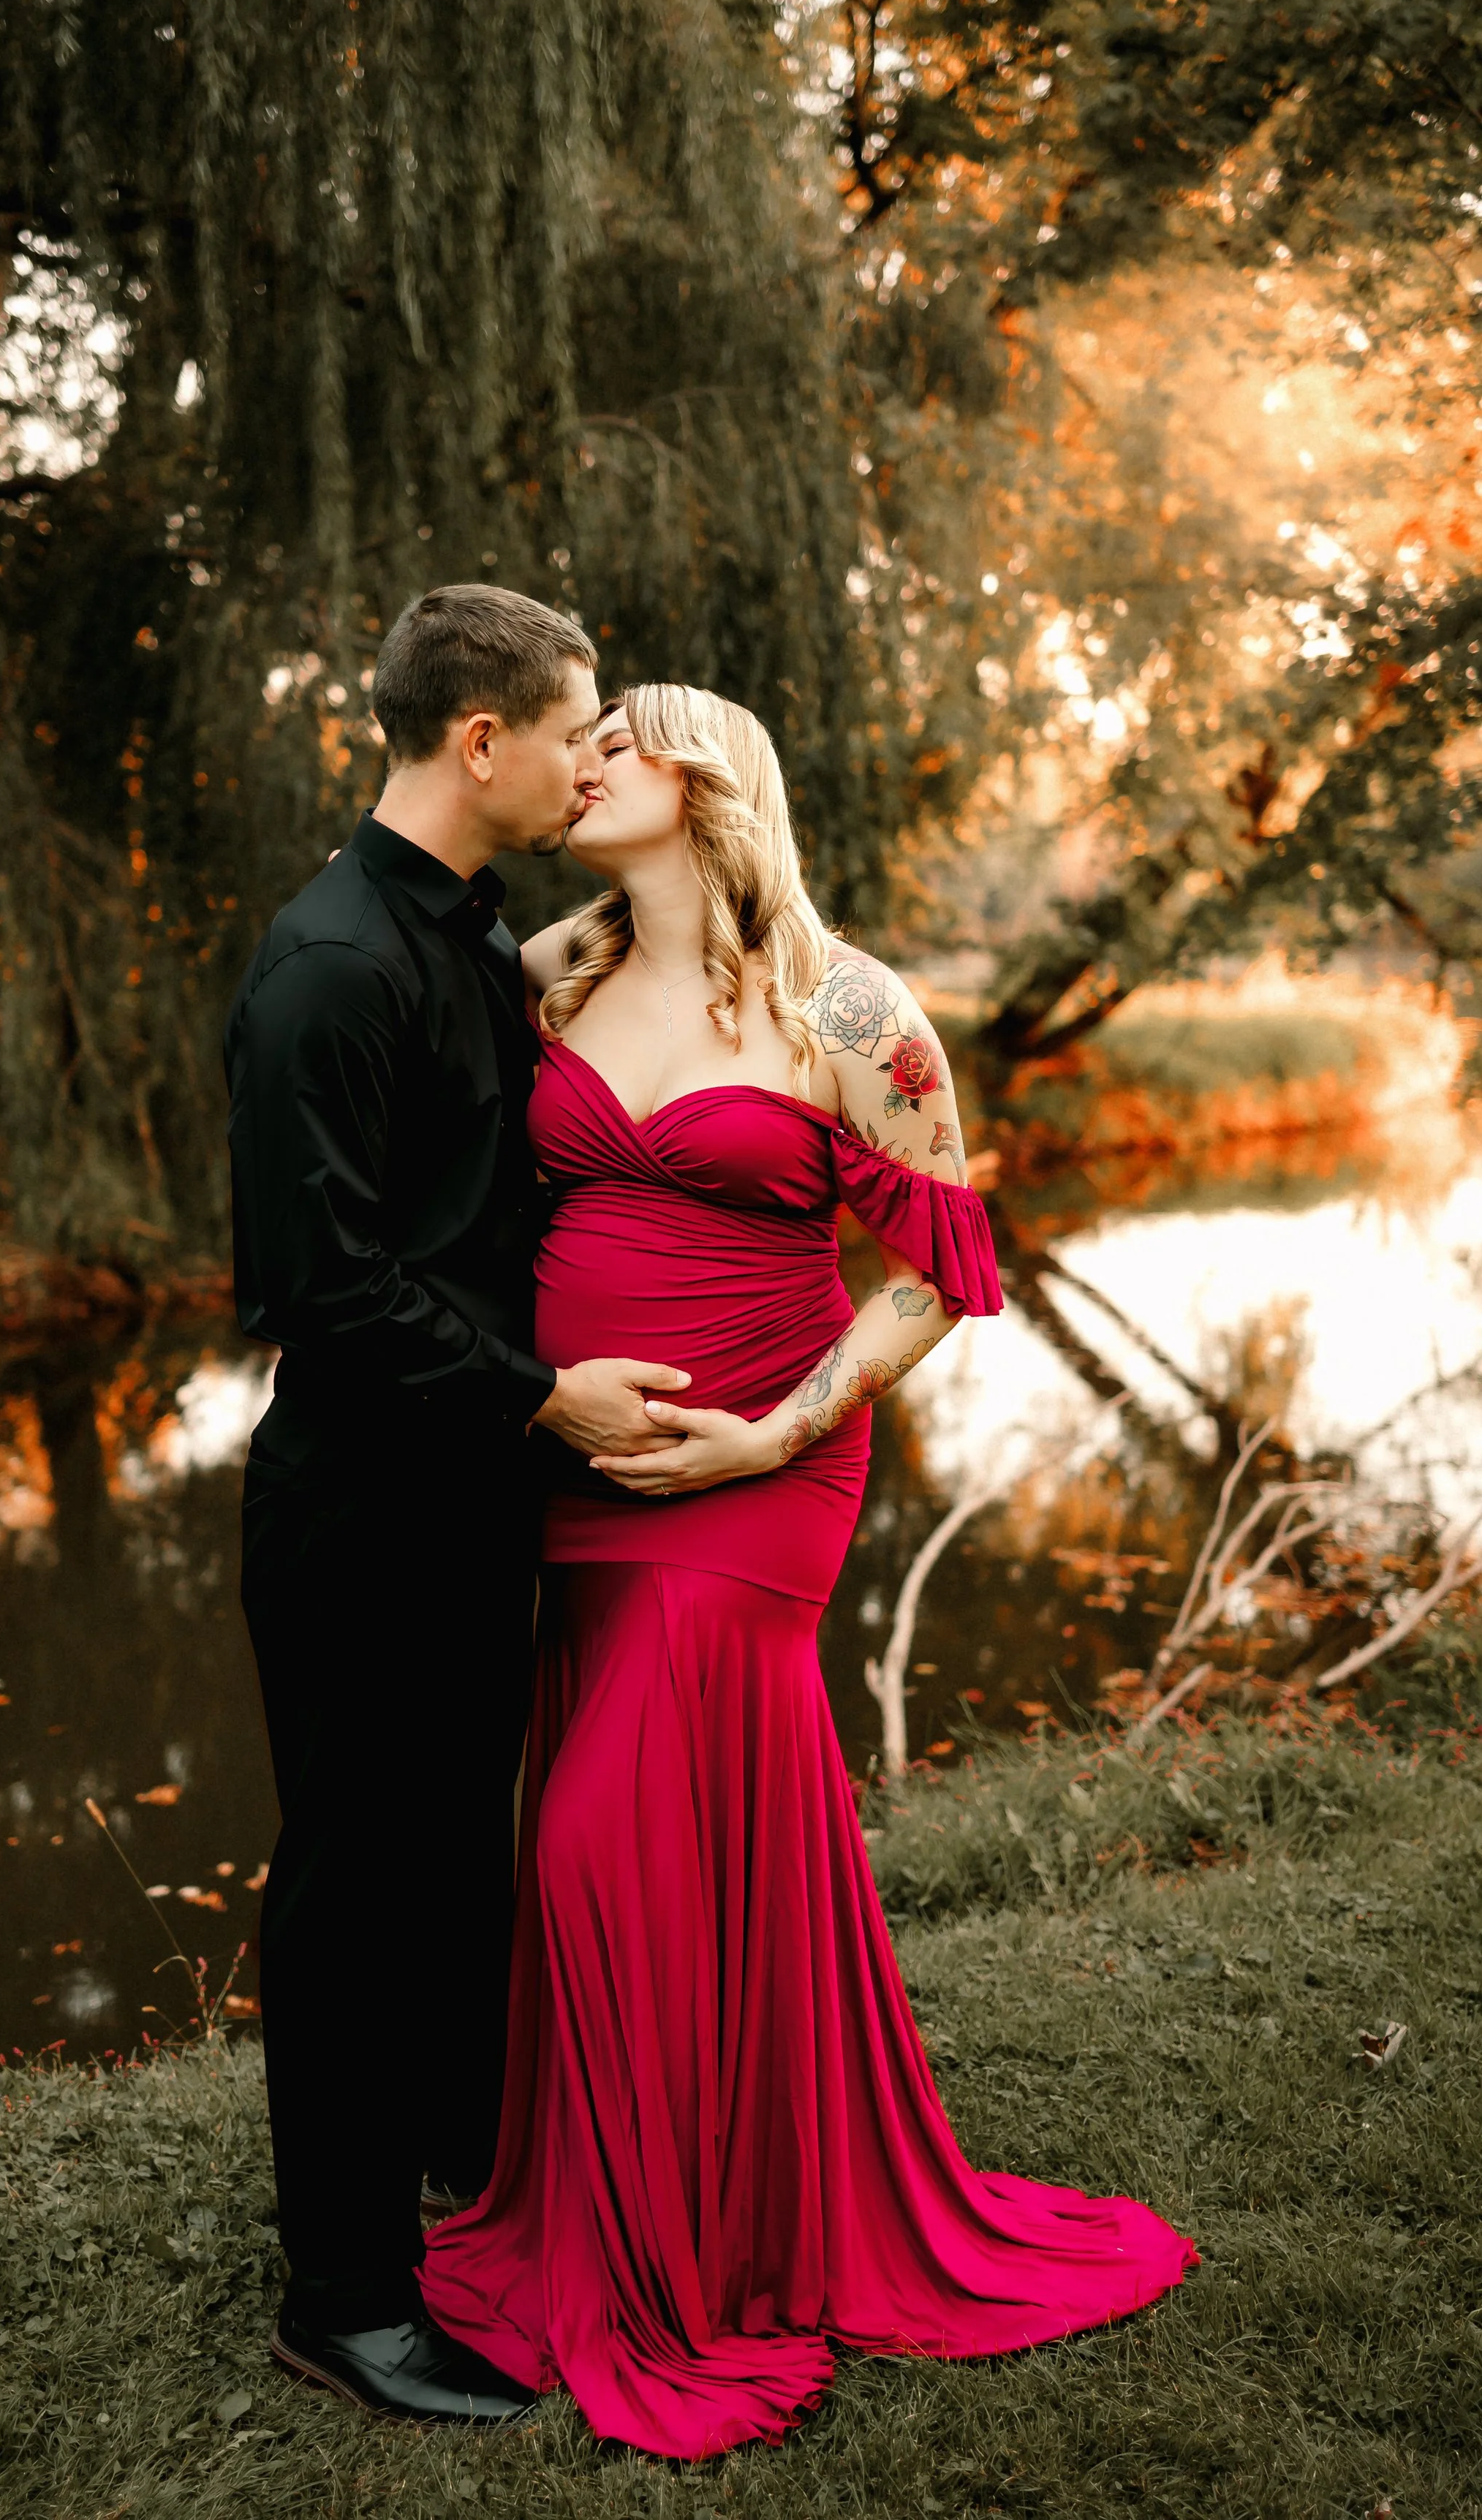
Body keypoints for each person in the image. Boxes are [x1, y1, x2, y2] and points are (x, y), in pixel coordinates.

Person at [419, 682, 1197, 2459]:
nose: (576, 760)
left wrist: (769, 1434)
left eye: (611, 738)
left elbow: (933, 1272)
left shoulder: (845, 1005)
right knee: (649, 1829)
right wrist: (529, 1397)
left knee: (590, 1837)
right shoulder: (543, 971)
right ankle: (683, 2206)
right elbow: (475, 1212)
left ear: (702, 776)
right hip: (572, 1466)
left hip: (761, 1475)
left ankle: (666, 2257)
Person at [224, 589, 709, 2424]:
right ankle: (341, 2299)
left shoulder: (471, 937)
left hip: (475, 1499)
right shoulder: (329, 963)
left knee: (449, 1868)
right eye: (576, 727)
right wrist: (540, 1391)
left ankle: (452, 2187)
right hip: (363, 1502)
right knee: (357, 1889)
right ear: (479, 740)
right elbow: (313, 1283)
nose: (594, 756)